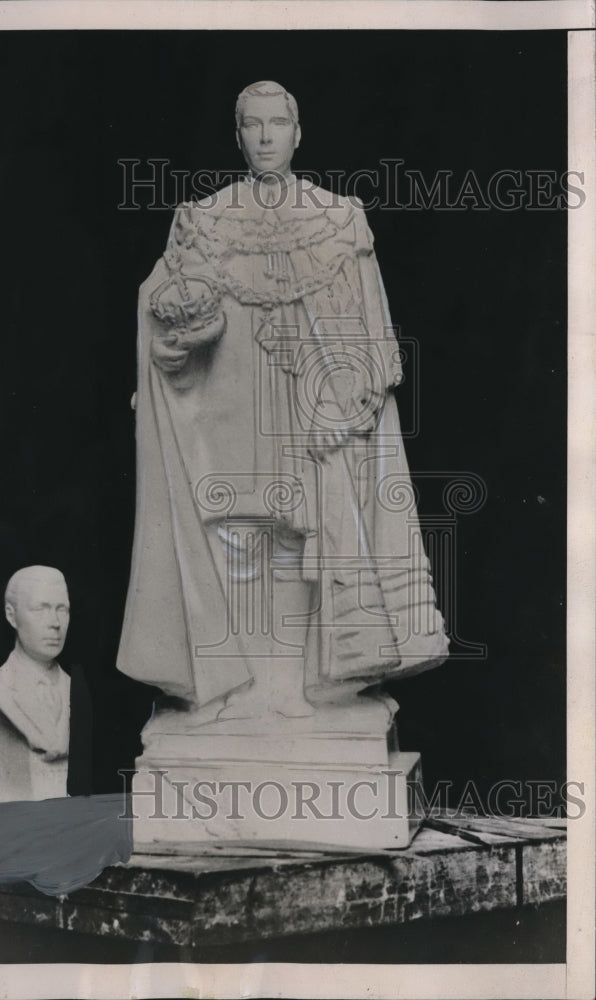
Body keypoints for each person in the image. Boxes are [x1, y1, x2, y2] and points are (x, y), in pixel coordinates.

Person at [117, 81, 449, 725]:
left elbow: (370, 326)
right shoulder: (203, 219)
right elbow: (164, 317)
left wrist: (349, 396)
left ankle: (303, 687)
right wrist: (171, 344)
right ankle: (239, 687)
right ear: (236, 134)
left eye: (277, 124)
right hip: (226, 408)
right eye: (252, 124)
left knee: (304, 541)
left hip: (307, 410)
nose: (265, 137)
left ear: (298, 134)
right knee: (239, 539)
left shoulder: (338, 216)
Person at [0, 565, 71, 801]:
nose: (55, 623)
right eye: (40, 609)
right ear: (11, 615)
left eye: (62, 609)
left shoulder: (72, 687)